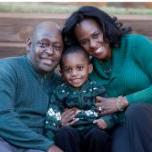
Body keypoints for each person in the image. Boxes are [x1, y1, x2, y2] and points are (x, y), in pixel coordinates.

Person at [62, 6, 152, 152]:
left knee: (135, 112)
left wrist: (122, 102)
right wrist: (68, 117)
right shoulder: (89, 72)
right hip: (121, 124)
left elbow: (120, 106)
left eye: (96, 35)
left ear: (106, 28)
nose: (92, 44)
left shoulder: (135, 45)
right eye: (84, 41)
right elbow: (91, 108)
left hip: (147, 118)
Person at [0, 21, 64, 152]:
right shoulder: (7, 69)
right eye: (43, 44)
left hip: (36, 147)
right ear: (29, 44)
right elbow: (3, 117)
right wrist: (49, 147)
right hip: (4, 140)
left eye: (57, 47)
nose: (50, 51)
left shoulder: (61, 85)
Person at [45, 45, 116, 152]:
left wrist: (106, 121)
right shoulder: (59, 92)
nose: (74, 74)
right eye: (68, 70)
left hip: (93, 130)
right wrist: (48, 143)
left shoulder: (97, 89)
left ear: (89, 69)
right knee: (64, 133)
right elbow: (52, 117)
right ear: (62, 73)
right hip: (72, 135)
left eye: (79, 68)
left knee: (98, 135)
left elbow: (110, 110)